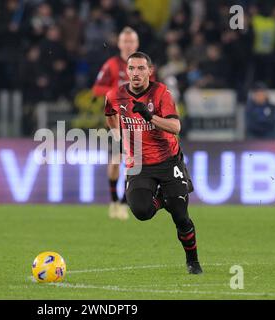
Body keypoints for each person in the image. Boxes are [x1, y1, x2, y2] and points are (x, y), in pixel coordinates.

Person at [104, 52, 203, 274]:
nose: (136, 73)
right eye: (131, 69)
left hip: (169, 161)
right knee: (141, 211)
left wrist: (149, 117)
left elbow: (176, 128)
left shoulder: (161, 94)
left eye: (141, 68)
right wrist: (119, 137)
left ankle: (193, 261)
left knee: (181, 216)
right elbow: (109, 112)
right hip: (139, 163)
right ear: (126, 71)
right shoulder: (115, 95)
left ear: (150, 71)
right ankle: (163, 199)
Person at [92, 26, 140, 220]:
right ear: (119, 44)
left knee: (135, 164)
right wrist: (115, 93)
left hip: (138, 122)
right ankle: (115, 201)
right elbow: (96, 89)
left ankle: (122, 202)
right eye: (125, 41)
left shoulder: (143, 65)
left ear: (136, 44)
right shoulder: (111, 64)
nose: (128, 45)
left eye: (131, 41)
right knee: (116, 161)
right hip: (117, 121)